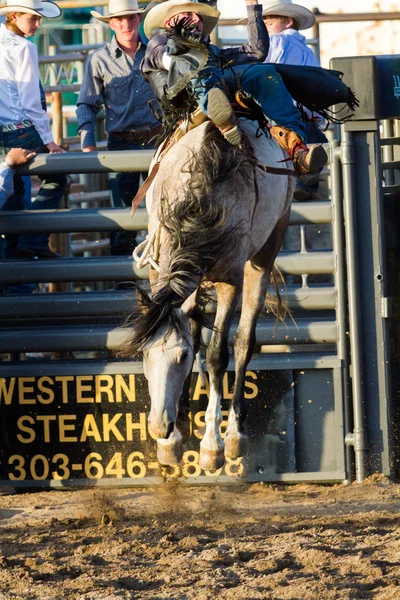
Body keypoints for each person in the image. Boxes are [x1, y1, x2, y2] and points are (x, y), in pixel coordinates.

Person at [141, 0, 328, 175]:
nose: (197, 19)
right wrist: (187, 44)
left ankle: (296, 148)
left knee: (263, 72)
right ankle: (216, 110)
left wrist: (253, 7)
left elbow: (256, 52)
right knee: (192, 58)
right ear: (170, 22)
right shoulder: (158, 44)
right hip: (185, 108)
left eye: (199, 15)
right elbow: (171, 59)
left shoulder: (212, 52)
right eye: (189, 14)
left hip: (220, 90)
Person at [76, 0, 161, 256]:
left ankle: (164, 277)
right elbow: (86, 104)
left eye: (131, 18)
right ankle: (123, 278)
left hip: (158, 142)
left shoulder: (156, 53)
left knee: (166, 209)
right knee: (123, 215)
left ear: (139, 20)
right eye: (119, 20)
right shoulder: (99, 59)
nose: (126, 24)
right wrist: (87, 140)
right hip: (121, 144)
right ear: (111, 24)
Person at [0, 0, 68, 260]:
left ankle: (18, 260)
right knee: (58, 177)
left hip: (2, 133)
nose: (38, 24)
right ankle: (34, 240)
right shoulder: (24, 48)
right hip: (22, 130)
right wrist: (49, 141)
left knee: (12, 201)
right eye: (33, 18)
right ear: (15, 16)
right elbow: (30, 102)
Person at [262, 0, 328, 199]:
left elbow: (261, 74)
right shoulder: (307, 51)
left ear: (288, 22)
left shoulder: (276, 42)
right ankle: (306, 180)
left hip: (279, 122)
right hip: (309, 122)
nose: (264, 29)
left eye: (268, 24)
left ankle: (299, 179)